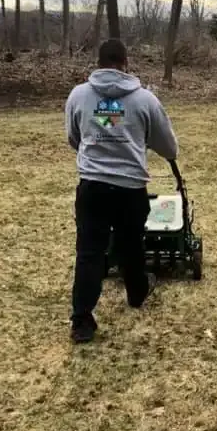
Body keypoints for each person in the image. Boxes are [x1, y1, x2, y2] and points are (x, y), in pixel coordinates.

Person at [65, 38, 178, 343]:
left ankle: (82, 320)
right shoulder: (144, 100)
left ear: (98, 62)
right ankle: (137, 292)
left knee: (89, 251)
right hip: (130, 189)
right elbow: (168, 146)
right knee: (131, 243)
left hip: (92, 187)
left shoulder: (79, 96)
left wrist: (98, 144)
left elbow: (73, 138)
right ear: (126, 63)